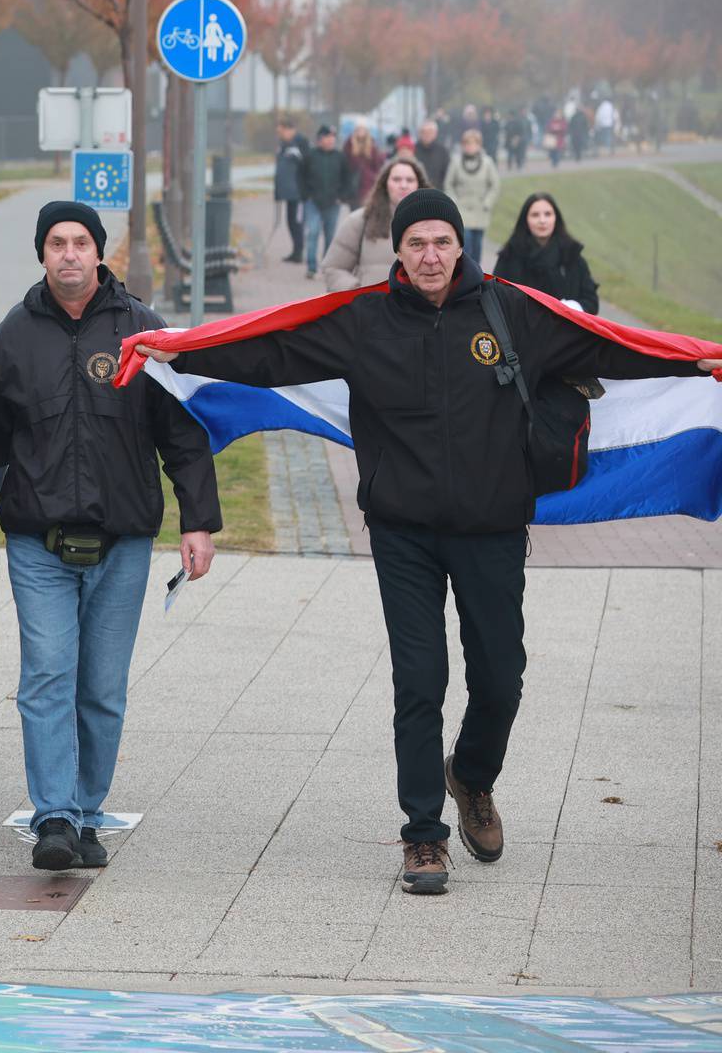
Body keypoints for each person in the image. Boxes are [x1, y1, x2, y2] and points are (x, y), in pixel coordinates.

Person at [135, 189, 720, 894]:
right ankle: (423, 838)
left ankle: (471, 776)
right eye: (417, 244)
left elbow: (610, 347)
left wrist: (697, 363)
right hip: (402, 532)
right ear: (399, 252)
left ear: (459, 244)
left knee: (501, 675)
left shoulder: (512, 311)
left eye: (442, 241)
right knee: (420, 680)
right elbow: (272, 352)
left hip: (493, 528)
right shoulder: (363, 320)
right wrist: (183, 351)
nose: (431, 255)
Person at [0, 202, 221, 872]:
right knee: (47, 676)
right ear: (41, 254)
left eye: (79, 242)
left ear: (98, 251)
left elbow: (182, 433)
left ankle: (87, 810)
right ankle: (53, 815)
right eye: (55, 243)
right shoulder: (13, 337)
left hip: (123, 540)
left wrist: (197, 520)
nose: (68, 254)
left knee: (102, 686)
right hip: (37, 540)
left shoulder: (141, 331)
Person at [323, 156, 423, 293]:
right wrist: (357, 291)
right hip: (371, 309)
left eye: (410, 180)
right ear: (385, 184)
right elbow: (333, 268)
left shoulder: (436, 224)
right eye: (397, 179)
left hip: (418, 311)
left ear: (419, 184)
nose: (403, 185)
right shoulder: (359, 221)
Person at [493, 193, 599, 314]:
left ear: (556, 218)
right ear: (525, 219)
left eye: (548, 214)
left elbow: (592, 303)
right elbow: (495, 298)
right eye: (535, 215)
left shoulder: (572, 255)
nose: (542, 220)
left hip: (565, 330)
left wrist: (572, 308)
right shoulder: (510, 256)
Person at [299, 124, 355, 279]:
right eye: (327, 137)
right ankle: (311, 267)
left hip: (333, 203)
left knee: (330, 236)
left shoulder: (340, 157)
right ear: (319, 139)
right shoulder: (310, 156)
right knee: (313, 232)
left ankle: (327, 266)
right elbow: (300, 176)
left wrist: (342, 196)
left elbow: (347, 179)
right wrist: (305, 195)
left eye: (332, 137)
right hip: (313, 203)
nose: (330, 140)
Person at [444, 128, 502, 266]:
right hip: (462, 211)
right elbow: (448, 184)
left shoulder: (487, 162)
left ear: (479, 145)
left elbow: (495, 185)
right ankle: (465, 272)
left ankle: (476, 275)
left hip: (480, 210)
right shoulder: (456, 162)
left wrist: (487, 202)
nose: (470, 146)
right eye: (467, 143)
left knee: (477, 247)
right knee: (466, 244)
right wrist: (454, 202)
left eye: (474, 143)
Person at [272, 118, 308, 263]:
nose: (280, 134)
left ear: (289, 129)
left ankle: (299, 252)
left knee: (297, 222)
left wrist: (299, 156)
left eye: (281, 131)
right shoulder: (284, 144)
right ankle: (295, 251)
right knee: (290, 221)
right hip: (288, 192)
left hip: (298, 192)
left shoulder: (301, 142)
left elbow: (307, 163)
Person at [344, 124, 383, 206]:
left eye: (362, 130)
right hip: (353, 183)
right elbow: (346, 164)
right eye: (358, 130)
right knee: (354, 211)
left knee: (367, 210)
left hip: (368, 183)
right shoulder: (349, 145)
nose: (360, 132)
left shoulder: (372, 147)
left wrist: (373, 177)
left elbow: (377, 166)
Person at [413, 119, 450, 189]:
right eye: (423, 132)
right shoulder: (413, 150)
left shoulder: (443, 151)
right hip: (416, 191)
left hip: (437, 191)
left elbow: (447, 174)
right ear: (420, 133)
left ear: (435, 134)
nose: (427, 135)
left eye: (430, 132)